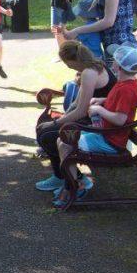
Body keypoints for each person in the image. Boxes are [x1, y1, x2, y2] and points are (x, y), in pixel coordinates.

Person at [55, 45, 137, 207]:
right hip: (107, 135)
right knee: (63, 140)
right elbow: (118, 102)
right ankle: (74, 184)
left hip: (111, 142)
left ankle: (74, 188)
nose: (112, 62)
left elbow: (120, 119)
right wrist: (103, 100)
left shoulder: (126, 89)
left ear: (118, 65)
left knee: (65, 144)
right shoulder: (125, 83)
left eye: (115, 60)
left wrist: (99, 109)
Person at [34, 41, 116, 194]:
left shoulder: (89, 73)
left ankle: (75, 178)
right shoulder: (95, 66)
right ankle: (61, 175)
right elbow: (77, 104)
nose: (67, 67)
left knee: (48, 135)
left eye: (67, 63)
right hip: (98, 118)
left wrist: (56, 122)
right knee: (44, 130)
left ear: (73, 60)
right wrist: (57, 121)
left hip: (100, 124)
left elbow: (81, 112)